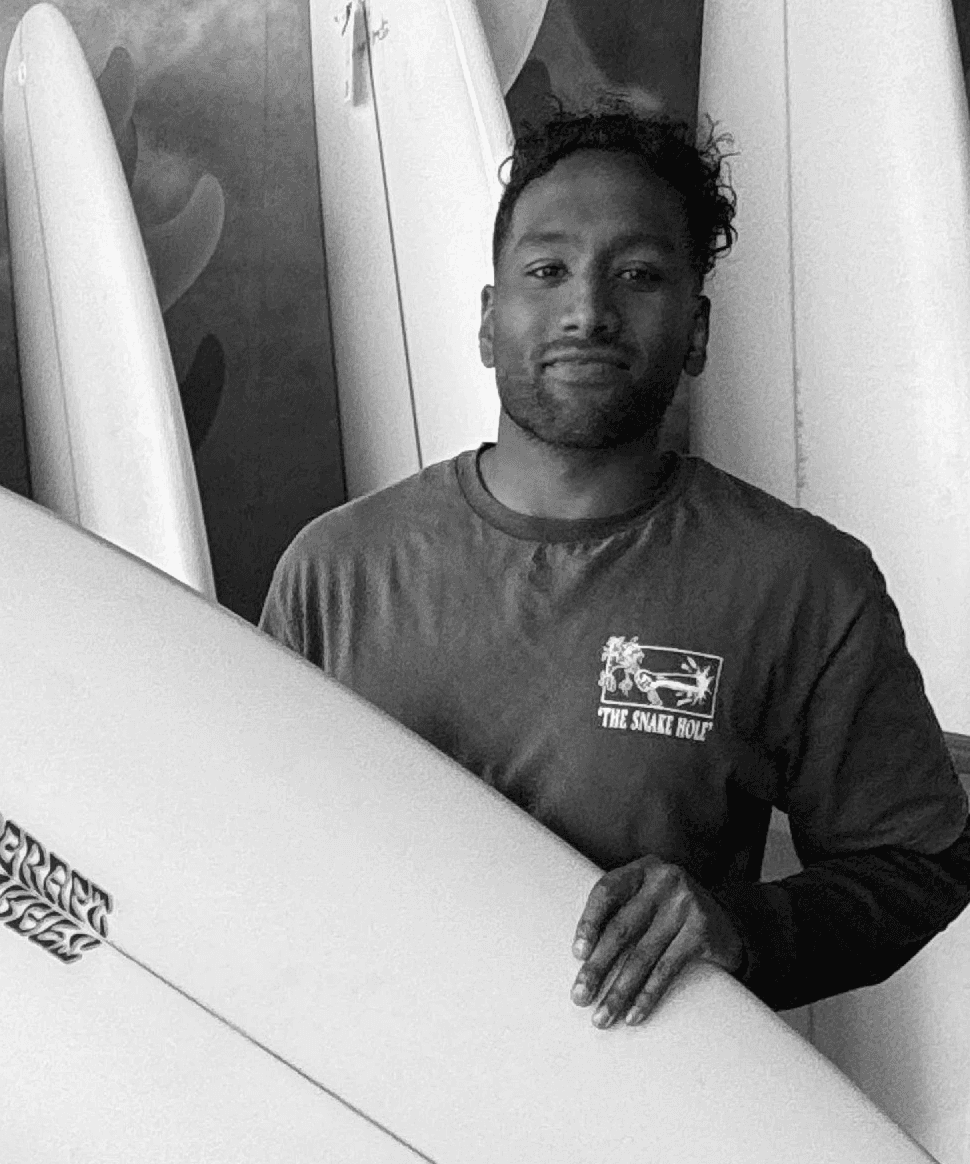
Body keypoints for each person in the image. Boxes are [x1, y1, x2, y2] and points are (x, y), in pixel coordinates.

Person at [261, 104, 970, 1026]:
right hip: (361, 1080)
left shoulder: (800, 582)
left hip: (639, 1091)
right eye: (547, 270)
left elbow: (919, 859)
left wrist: (740, 929)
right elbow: (255, 851)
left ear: (696, 330)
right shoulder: (335, 573)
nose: (587, 311)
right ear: (488, 319)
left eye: (637, 275)